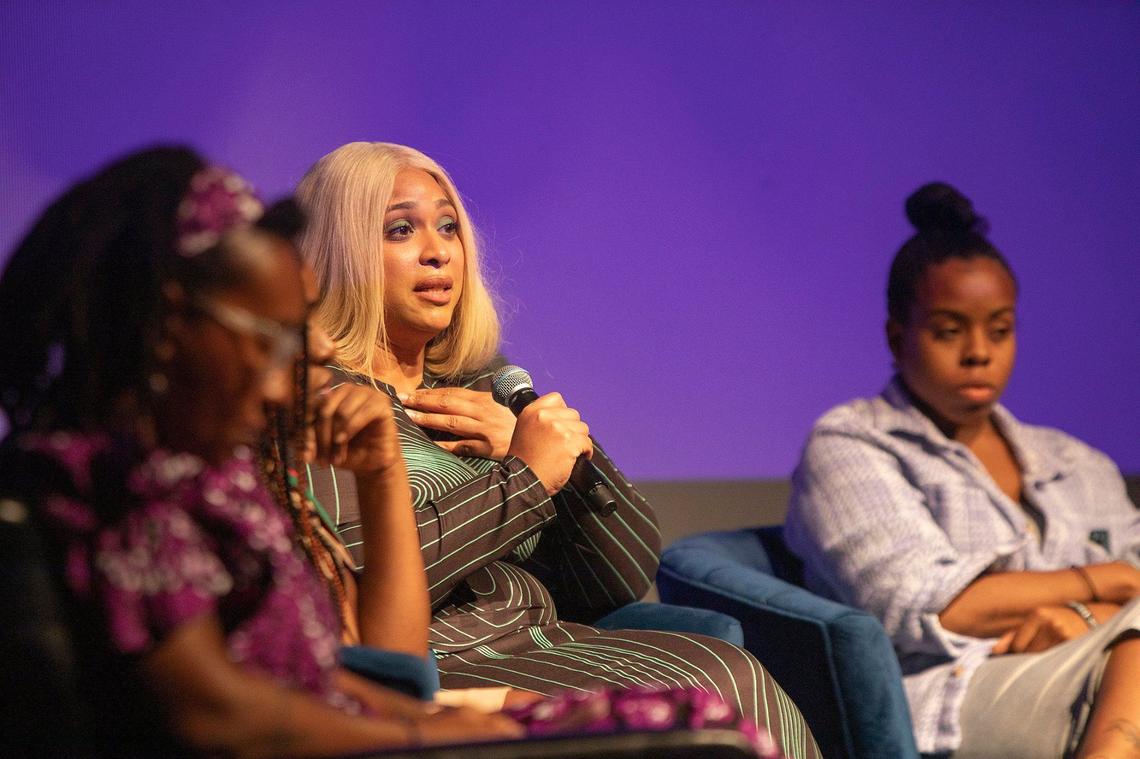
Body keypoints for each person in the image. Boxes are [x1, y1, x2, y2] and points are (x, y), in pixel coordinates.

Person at [296, 141, 820, 759]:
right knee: (708, 690)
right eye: (400, 230)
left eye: (448, 227)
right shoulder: (322, 404)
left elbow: (619, 579)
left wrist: (567, 468)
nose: (438, 252)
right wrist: (523, 480)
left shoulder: (479, 386)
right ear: (337, 250)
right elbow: (352, 588)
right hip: (447, 670)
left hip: (547, 641)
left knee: (724, 666)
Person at [0, 147, 521, 757]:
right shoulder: (113, 484)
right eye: (268, 342)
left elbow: (316, 676)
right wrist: (414, 736)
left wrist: (428, 720)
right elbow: (215, 712)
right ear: (172, 325)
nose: (286, 382)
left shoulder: (216, 478)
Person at [784, 182, 1140, 758]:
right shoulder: (853, 443)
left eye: (999, 330)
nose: (979, 352)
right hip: (959, 693)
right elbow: (932, 606)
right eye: (950, 331)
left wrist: (1084, 614)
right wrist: (1110, 581)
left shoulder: (1076, 462)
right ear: (898, 339)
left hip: (1099, 668)